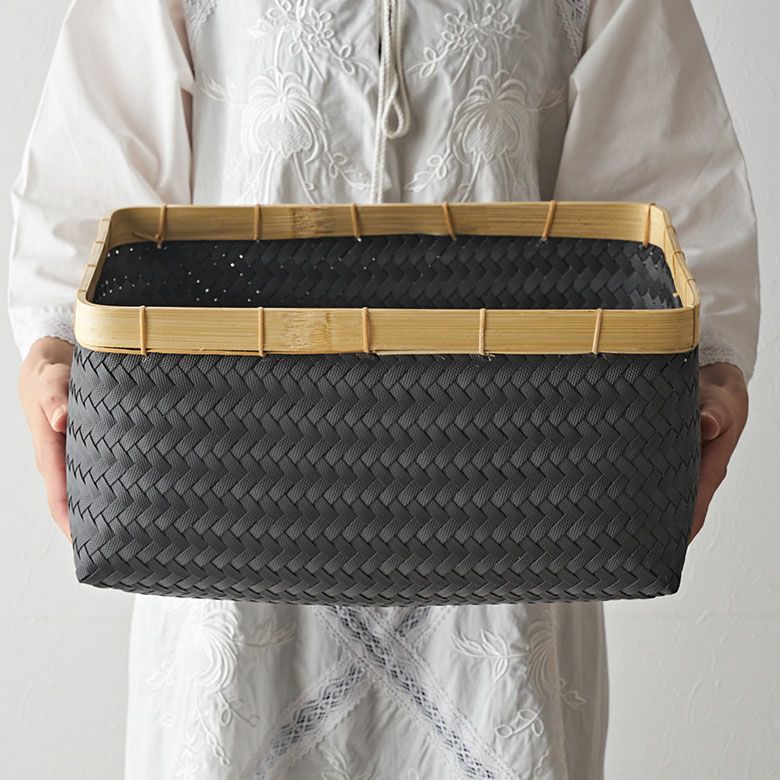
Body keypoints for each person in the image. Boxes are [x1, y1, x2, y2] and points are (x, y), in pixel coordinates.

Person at [9, 0, 758, 778]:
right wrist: (55, 344)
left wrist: (708, 362)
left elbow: (663, 194)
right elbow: (95, 167)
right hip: (229, 488)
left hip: (518, 501)